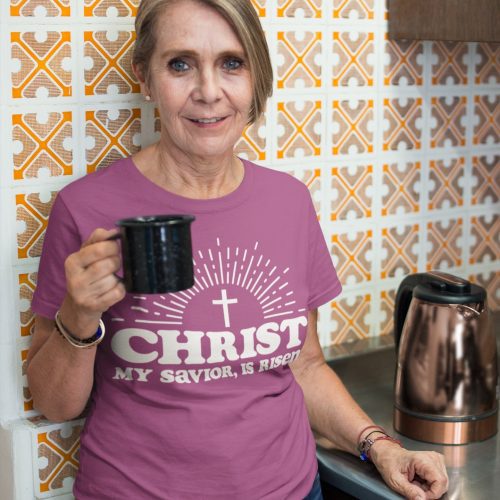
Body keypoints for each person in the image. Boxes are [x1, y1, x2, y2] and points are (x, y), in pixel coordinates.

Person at [26, 1, 449, 499]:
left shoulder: (287, 202)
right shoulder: (85, 208)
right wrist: (79, 316)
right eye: (180, 64)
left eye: (232, 62)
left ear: (256, 76)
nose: (209, 92)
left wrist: (380, 447)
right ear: (145, 76)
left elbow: (305, 367)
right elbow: (56, 405)